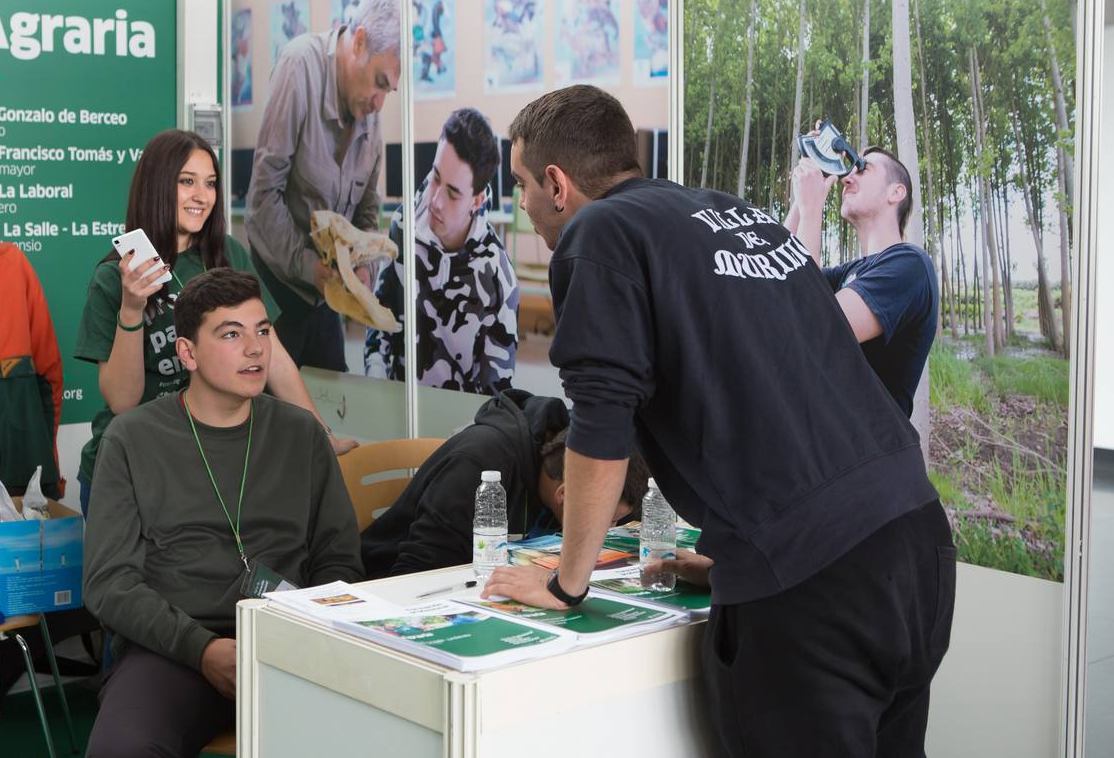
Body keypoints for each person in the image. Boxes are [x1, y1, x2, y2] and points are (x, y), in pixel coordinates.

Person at [482, 85, 954, 757]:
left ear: (557, 185)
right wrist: (735, 543)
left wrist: (566, 581)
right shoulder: (730, 216)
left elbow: (601, 421)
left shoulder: (599, 234)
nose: (524, 203)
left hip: (815, 592)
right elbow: (789, 379)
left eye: (524, 183)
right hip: (914, 547)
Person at [82, 268, 362, 758]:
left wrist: (303, 632)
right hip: (174, 650)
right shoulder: (132, 439)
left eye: (263, 332)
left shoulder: (302, 435)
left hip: (288, 639)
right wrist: (202, 649)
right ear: (187, 353)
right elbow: (109, 584)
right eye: (232, 334)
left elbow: (339, 560)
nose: (255, 349)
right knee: (120, 748)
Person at [75, 129, 356, 517]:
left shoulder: (228, 255)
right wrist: (132, 309)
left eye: (210, 183)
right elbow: (122, 401)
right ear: (157, 186)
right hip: (132, 470)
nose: (202, 196)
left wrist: (324, 435)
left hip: (209, 464)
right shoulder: (114, 277)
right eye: (186, 182)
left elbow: (273, 358)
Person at [246, 0, 402, 372]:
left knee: (332, 413)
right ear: (359, 42)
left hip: (325, 296)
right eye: (381, 83)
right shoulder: (299, 67)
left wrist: (364, 264)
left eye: (390, 90)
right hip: (279, 289)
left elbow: (368, 205)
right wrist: (310, 269)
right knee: (276, 418)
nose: (382, 102)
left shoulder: (369, 106)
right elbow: (263, 199)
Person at [360, 389, 648, 578]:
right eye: (609, 522)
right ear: (565, 495)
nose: (607, 531)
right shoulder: (480, 463)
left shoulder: (583, 453)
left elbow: (623, 498)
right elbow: (419, 571)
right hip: (392, 583)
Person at [364, 108, 519, 394]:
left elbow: (497, 396)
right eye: (435, 177)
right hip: (398, 407)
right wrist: (376, 381)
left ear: (477, 200)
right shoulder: (403, 224)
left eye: (452, 192)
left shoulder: (498, 278)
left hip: (461, 428)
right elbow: (379, 322)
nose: (435, 201)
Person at [785, 135, 940, 417]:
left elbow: (813, 326)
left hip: (871, 455)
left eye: (862, 168)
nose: (847, 178)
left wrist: (812, 210)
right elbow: (784, 276)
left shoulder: (911, 266)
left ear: (896, 192)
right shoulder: (850, 272)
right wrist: (802, 199)